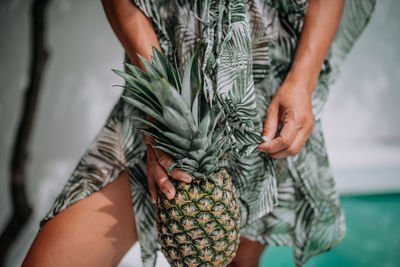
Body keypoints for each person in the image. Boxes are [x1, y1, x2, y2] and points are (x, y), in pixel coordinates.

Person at [22, 0, 376, 266]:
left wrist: (302, 80)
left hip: (267, 85)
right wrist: (160, 101)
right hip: (164, 78)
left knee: (238, 261)